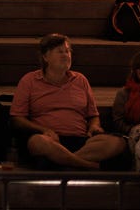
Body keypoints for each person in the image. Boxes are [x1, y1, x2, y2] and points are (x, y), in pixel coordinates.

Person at [10, 33, 127, 170]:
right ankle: (87, 165)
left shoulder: (80, 80)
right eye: (60, 52)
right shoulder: (29, 80)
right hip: (50, 138)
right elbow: (17, 119)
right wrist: (43, 130)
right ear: (45, 57)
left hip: (80, 139)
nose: (66, 55)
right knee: (37, 142)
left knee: (118, 142)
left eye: (67, 51)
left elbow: (93, 115)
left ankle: (64, 162)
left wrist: (94, 127)